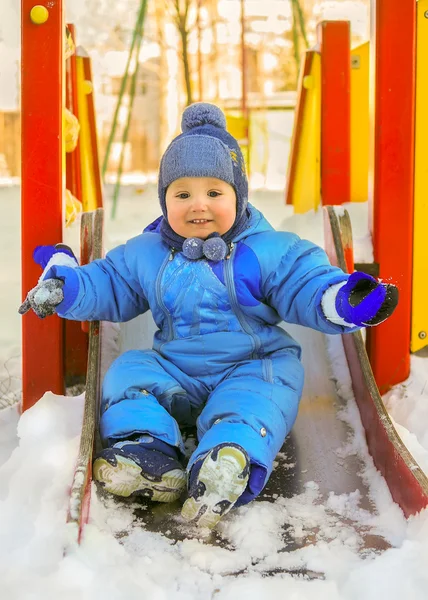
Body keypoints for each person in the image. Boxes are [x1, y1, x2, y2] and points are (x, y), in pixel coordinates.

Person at [19, 103, 398, 529]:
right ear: (164, 201)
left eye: (215, 193)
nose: (198, 205)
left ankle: (228, 457)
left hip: (251, 365)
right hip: (175, 368)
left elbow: (302, 280)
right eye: (182, 194)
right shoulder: (148, 253)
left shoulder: (265, 249)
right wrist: (67, 288)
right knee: (129, 372)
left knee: (259, 397)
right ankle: (146, 449)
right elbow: (110, 283)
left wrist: (341, 300)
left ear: (239, 196)